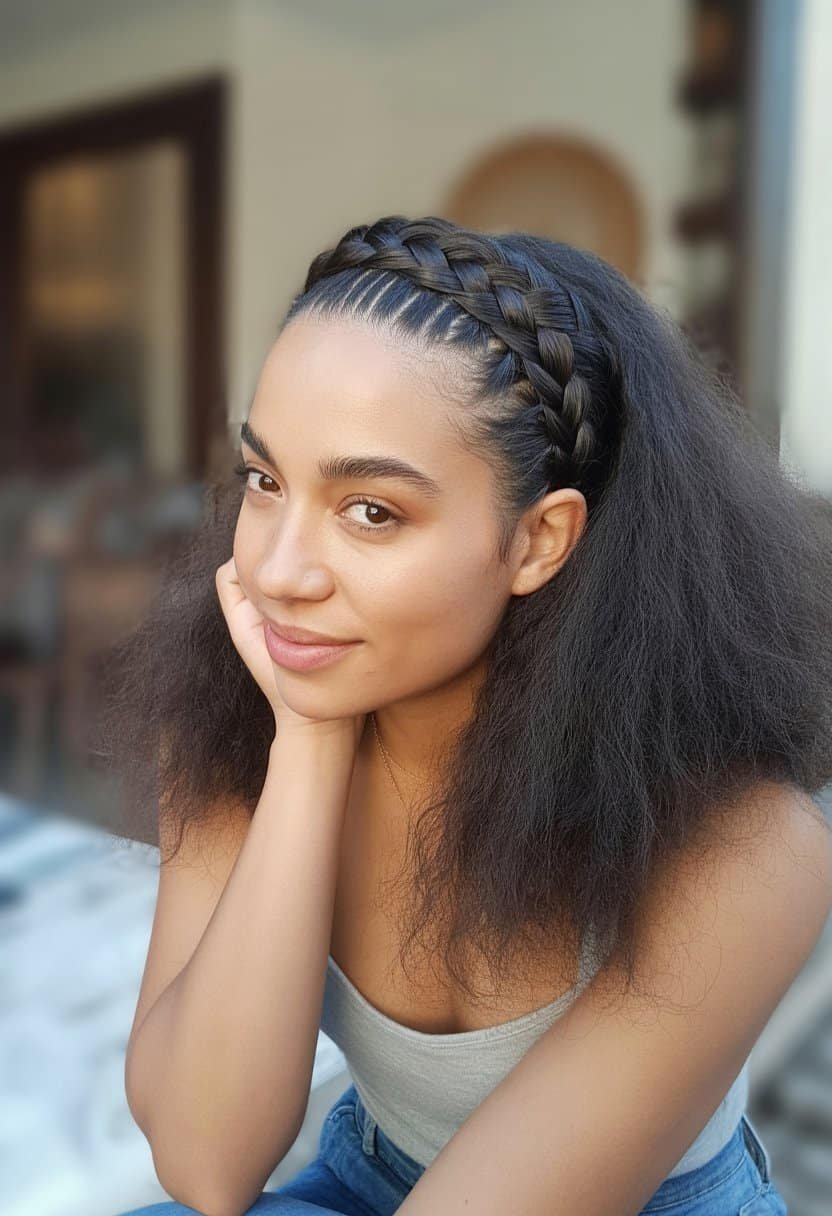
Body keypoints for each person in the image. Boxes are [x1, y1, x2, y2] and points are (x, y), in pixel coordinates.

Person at [104, 215, 832, 1216]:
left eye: (372, 510)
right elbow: (206, 1163)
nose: (274, 573)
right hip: (371, 1173)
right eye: (266, 482)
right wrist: (308, 742)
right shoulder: (237, 724)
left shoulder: (744, 846)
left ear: (538, 541)